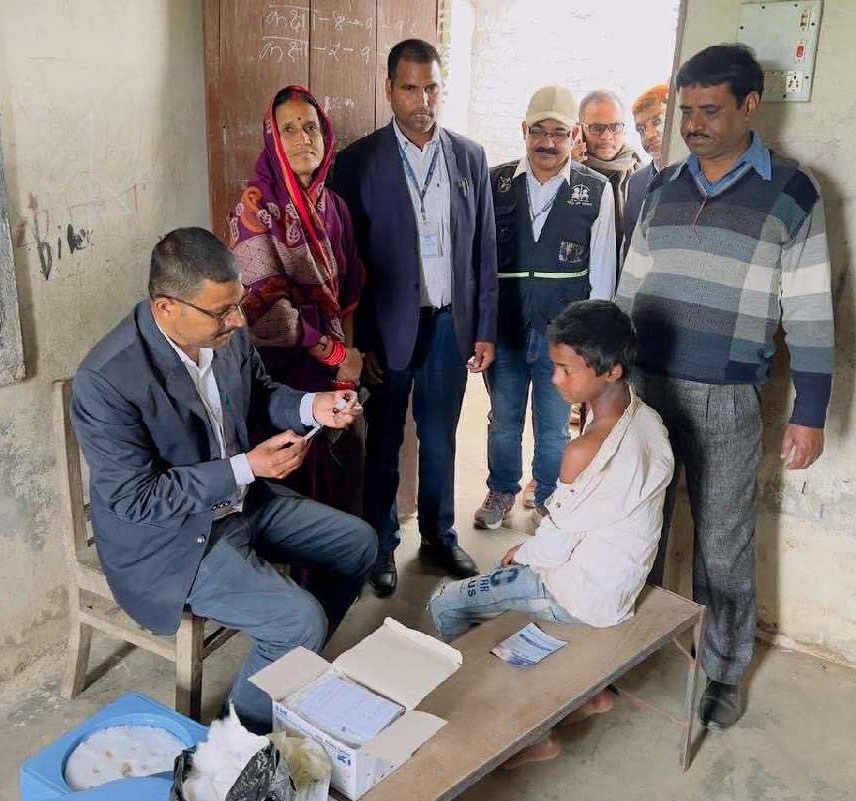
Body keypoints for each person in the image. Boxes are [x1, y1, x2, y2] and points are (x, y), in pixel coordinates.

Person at [70, 228, 377, 732]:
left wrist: (311, 404)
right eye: (221, 312)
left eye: (237, 305)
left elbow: (261, 393)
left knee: (358, 544)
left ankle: (289, 669)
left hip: (241, 502)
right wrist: (247, 467)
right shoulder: (106, 379)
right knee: (297, 620)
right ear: (166, 307)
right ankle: (233, 746)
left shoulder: (225, 339)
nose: (237, 321)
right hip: (168, 540)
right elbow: (135, 500)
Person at [617, 44, 834, 731]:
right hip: (644, 388)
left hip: (727, 396)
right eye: (687, 111)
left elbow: (809, 309)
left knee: (722, 547)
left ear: (750, 106)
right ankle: (628, 653)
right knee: (637, 528)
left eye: (710, 110)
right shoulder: (660, 185)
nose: (694, 124)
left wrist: (811, 411)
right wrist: (607, 384)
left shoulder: (793, 193)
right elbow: (628, 287)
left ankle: (722, 671)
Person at [428, 299, 673, 767]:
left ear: (611, 370)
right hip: (619, 581)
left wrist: (521, 555)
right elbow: (579, 523)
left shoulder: (584, 451)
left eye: (565, 370)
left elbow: (553, 546)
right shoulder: (647, 421)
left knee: (445, 603)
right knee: (511, 572)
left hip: (582, 594)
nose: (555, 379)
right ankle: (586, 698)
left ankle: (525, 732)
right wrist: (531, 547)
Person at [330, 38, 498, 597]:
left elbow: (485, 252)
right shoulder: (357, 163)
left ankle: (439, 535)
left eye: (431, 87)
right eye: (409, 87)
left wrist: (485, 329)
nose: (422, 98)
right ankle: (379, 545)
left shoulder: (469, 157)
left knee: (441, 436)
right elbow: (346, 264)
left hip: (452, 325)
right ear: (389, 90)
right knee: (382, 439)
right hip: (387, 329)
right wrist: (359, 342)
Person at [473, 85, 615, 531]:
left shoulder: (597, 190)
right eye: (539, 131)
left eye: (558, 132)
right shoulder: (493, 184)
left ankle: (550, 494)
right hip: (508, 330)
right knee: (503, 419)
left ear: (574, 135)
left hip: (565, 338)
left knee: (554, 425)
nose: (548, 142)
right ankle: (501, 489)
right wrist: (480, 328)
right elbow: (476, 262)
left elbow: (604, 270)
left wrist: (594, 341)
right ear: (524, 130)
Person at [230, 85, 366, 515]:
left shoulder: (335, 207)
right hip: (282, 370)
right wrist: (335, 353)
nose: (303, 137)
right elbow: (264, 309)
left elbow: (347, 293)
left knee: (342, 467)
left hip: (334, 364)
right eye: (289, 129)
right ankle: (297, 581)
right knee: (297, 475)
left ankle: (338, 574)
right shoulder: (255, 208)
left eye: (311, 127)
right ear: (273, 140)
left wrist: (349, 363)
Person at [573, 88, 642, 246]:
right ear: (579, 129)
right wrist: (569, 169)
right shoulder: (564, 172)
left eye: (615, 127)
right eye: (596, 128)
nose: (606, 136)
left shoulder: (639, 172)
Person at [620, 83, 669, 260]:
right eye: (641, 129)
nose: (649, 134)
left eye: (657, 122)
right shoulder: (635, 184)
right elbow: (630, 252)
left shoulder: (703, 175)